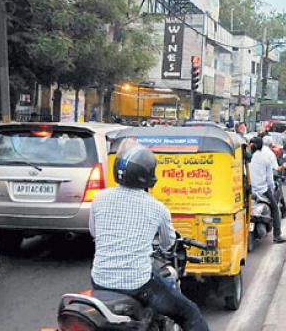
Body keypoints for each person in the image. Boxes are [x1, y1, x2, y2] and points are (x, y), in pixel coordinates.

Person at [89, 142, 208, 331]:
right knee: (190, 313)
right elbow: (168, 243)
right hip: (137, 284)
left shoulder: (99, 198)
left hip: (99, 280)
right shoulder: (157, 208)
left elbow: (95, 233)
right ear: (149, 176)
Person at [250, 137, 286, 243]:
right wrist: (271, 190)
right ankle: (277, 235)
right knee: (275, 209)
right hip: (262, 190)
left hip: (248, 190)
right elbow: (270, 180)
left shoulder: (246, 158)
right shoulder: (265, 158)